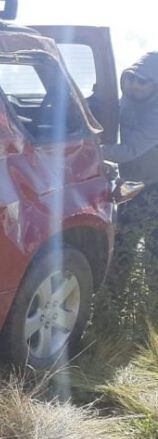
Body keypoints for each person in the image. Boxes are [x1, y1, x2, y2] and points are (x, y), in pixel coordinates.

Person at [102, 52, 158, 320]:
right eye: (130, 77)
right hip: (131, 184)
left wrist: (92, 149)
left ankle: (151, 312)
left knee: (153, 249)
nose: (134, 84)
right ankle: (113, 307)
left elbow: (130, 150)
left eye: (143, 81)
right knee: (123, 241)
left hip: (153, 186)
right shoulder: (125, 100)